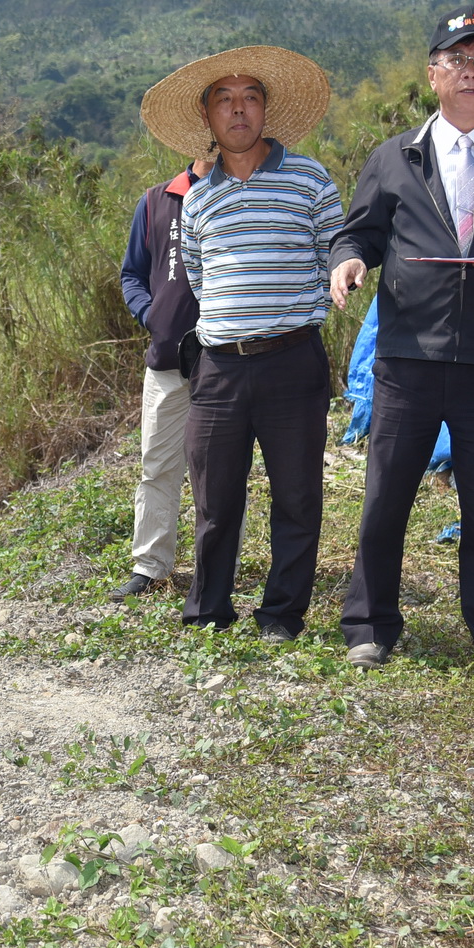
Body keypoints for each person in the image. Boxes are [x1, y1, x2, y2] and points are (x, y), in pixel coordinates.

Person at [328, 8, 474, 684]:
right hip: (407, 357)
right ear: (433, 74)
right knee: (386, 499)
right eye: (458, 59)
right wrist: (349, 261)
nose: (471, 71)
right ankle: (370, 626)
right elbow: (359, 232)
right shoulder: (394, 157)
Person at [137, 45, 340, 639]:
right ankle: (209, 610)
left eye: (250, 97)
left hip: (292, 361)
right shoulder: (199, 199)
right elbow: (200, 280)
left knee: (296, 497)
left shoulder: (309, 178)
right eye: (224, 99)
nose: (238, 109)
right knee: (215, 500)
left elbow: (336, 251)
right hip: (219, 369)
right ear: (207, 116)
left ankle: (281, 614)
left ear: (265, 110)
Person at [113, 156, 211, 600]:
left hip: (227, 361)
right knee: (157, 464)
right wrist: (152, 316)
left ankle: (217, 567)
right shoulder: (156, 201)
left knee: (220, 470)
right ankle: (150, 566)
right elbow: (132, 274)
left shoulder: (244, 192)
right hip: (167, 363)